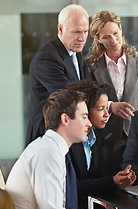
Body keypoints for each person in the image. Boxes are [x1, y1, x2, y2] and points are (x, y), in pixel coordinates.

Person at [6, 89, 128, 209]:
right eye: (84, 117)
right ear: (65, 119)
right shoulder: (47, 153)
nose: (89, 123)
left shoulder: (54, 150)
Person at [85, 10, 138, 176]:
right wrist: (110, 106)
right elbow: (88, 103)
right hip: (105, 139)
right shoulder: (90, 66)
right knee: (109, 189)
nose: (113, 40)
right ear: (98, 39)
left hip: (136, 136)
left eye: (116, 33)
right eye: (106, 37)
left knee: (136, 185)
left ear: (121, 30)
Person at [67, 80, 135, 209]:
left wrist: (120, 180)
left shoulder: (94, 137)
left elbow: (98, 178)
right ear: (84, 110)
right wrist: (112, 181)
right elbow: (72, 187)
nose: (106, 114)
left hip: (87, 206)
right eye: (100, 109)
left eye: (106, 109)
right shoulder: (70, 142)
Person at [25, 4, 89, 146]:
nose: (82, 38)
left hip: (66, 135)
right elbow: (70, 96)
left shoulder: (75, 50)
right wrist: (107, 106)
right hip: (47, 137)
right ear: (60, 29)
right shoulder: (47, 58)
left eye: (85, 31)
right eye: (77, 32)